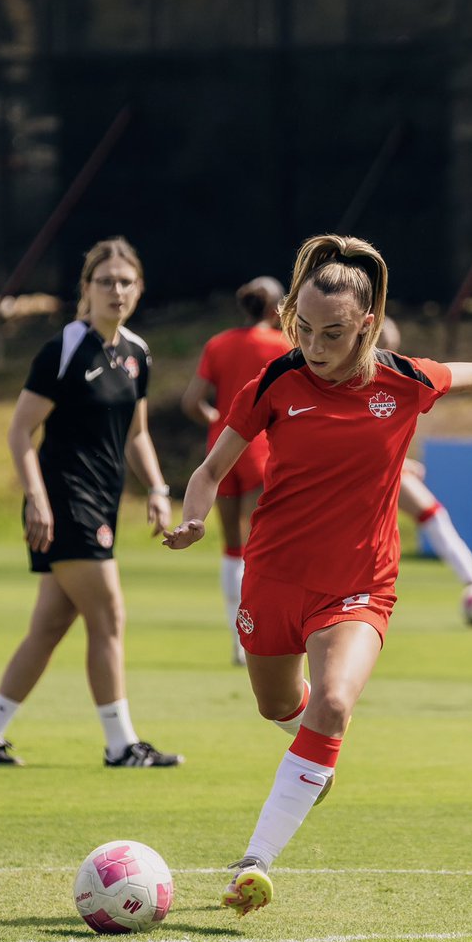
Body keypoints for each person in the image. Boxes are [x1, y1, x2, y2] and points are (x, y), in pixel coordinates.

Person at [163, 233, 472, 914]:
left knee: (334, 702)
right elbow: (210, 471)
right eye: (303, 328)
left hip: (360, 584)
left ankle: (255, 861)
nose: (314, 343)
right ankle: (313, 758)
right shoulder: (277, 381)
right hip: (273, 575)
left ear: (366, 324)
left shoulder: (405, 380)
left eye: (332, 332)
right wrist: (194, 519)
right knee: (281, 707)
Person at [0, 237, 184, 767]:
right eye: (105, 281)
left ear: (139, 289)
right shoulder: (63, 349)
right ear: (85, 289)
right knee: (109, 615)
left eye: (126, 281)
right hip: (64, 501)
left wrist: (156, 489)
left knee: (49, 627)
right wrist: (36, 500)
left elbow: (137, 434)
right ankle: (121, 745)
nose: (116, 290)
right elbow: (20, 431)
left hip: (102, 502)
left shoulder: (137, 353)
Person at [181, 277, 288, 665]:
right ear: (278, 309)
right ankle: (257, 635)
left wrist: (216, 418)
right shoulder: (282, 346)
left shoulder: (219, 343)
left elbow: (192, 400)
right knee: (260, 547)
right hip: (261, 451)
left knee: (231, 547)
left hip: (222, 452)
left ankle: (235, 641)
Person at [378, 317, 472, 600]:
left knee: (433, 515)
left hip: (384, 470)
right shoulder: (359, 380)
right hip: (364, 474)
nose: (390, 355)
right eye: (387, 348)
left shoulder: (399, 376)